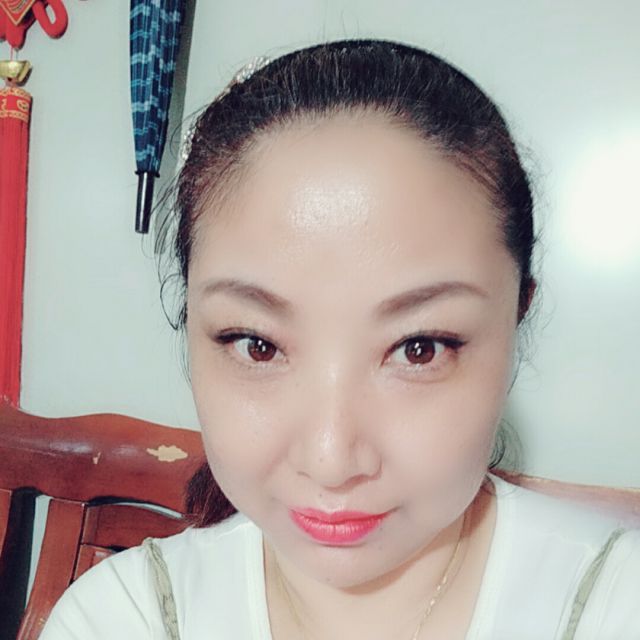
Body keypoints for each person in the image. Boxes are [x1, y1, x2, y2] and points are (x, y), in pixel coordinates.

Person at [40, 39, 640, 640]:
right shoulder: (125, 617)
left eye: (419, 348)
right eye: (257, 345)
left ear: (515, 320)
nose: (330, 461)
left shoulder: (613, 606)